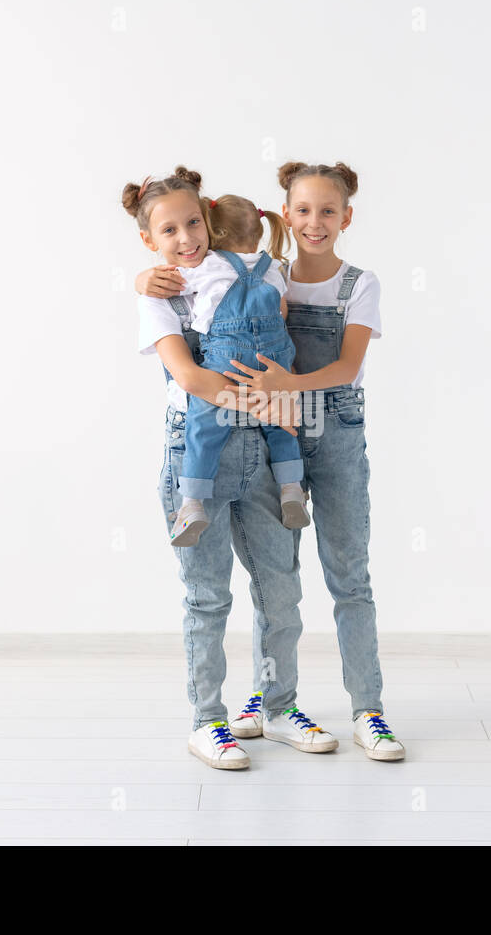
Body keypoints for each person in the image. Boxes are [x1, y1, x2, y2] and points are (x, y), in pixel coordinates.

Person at [124, 165, 339, 767]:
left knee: (281, 587)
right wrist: (271, 398)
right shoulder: (160, 299)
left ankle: (275, 707)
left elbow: (283, 312)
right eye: (170, 229)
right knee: (208, 595)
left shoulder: (236, 276)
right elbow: (190, 376)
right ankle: (207, 720)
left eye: (195, 223)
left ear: (214, 227)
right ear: (150, 240)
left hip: (265, 449)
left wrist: (284, 393)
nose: (186, 237)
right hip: (199, 447)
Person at [165, 194, 309, 547]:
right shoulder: (271, 267)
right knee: (281, 422)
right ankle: (291, 488)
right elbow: (282, 310)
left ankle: (193, 503)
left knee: (204, 422)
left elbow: (171, 282)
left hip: (229, 356)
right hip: (272, 359)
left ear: (217, 233)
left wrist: (141, 280)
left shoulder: (209, 264)